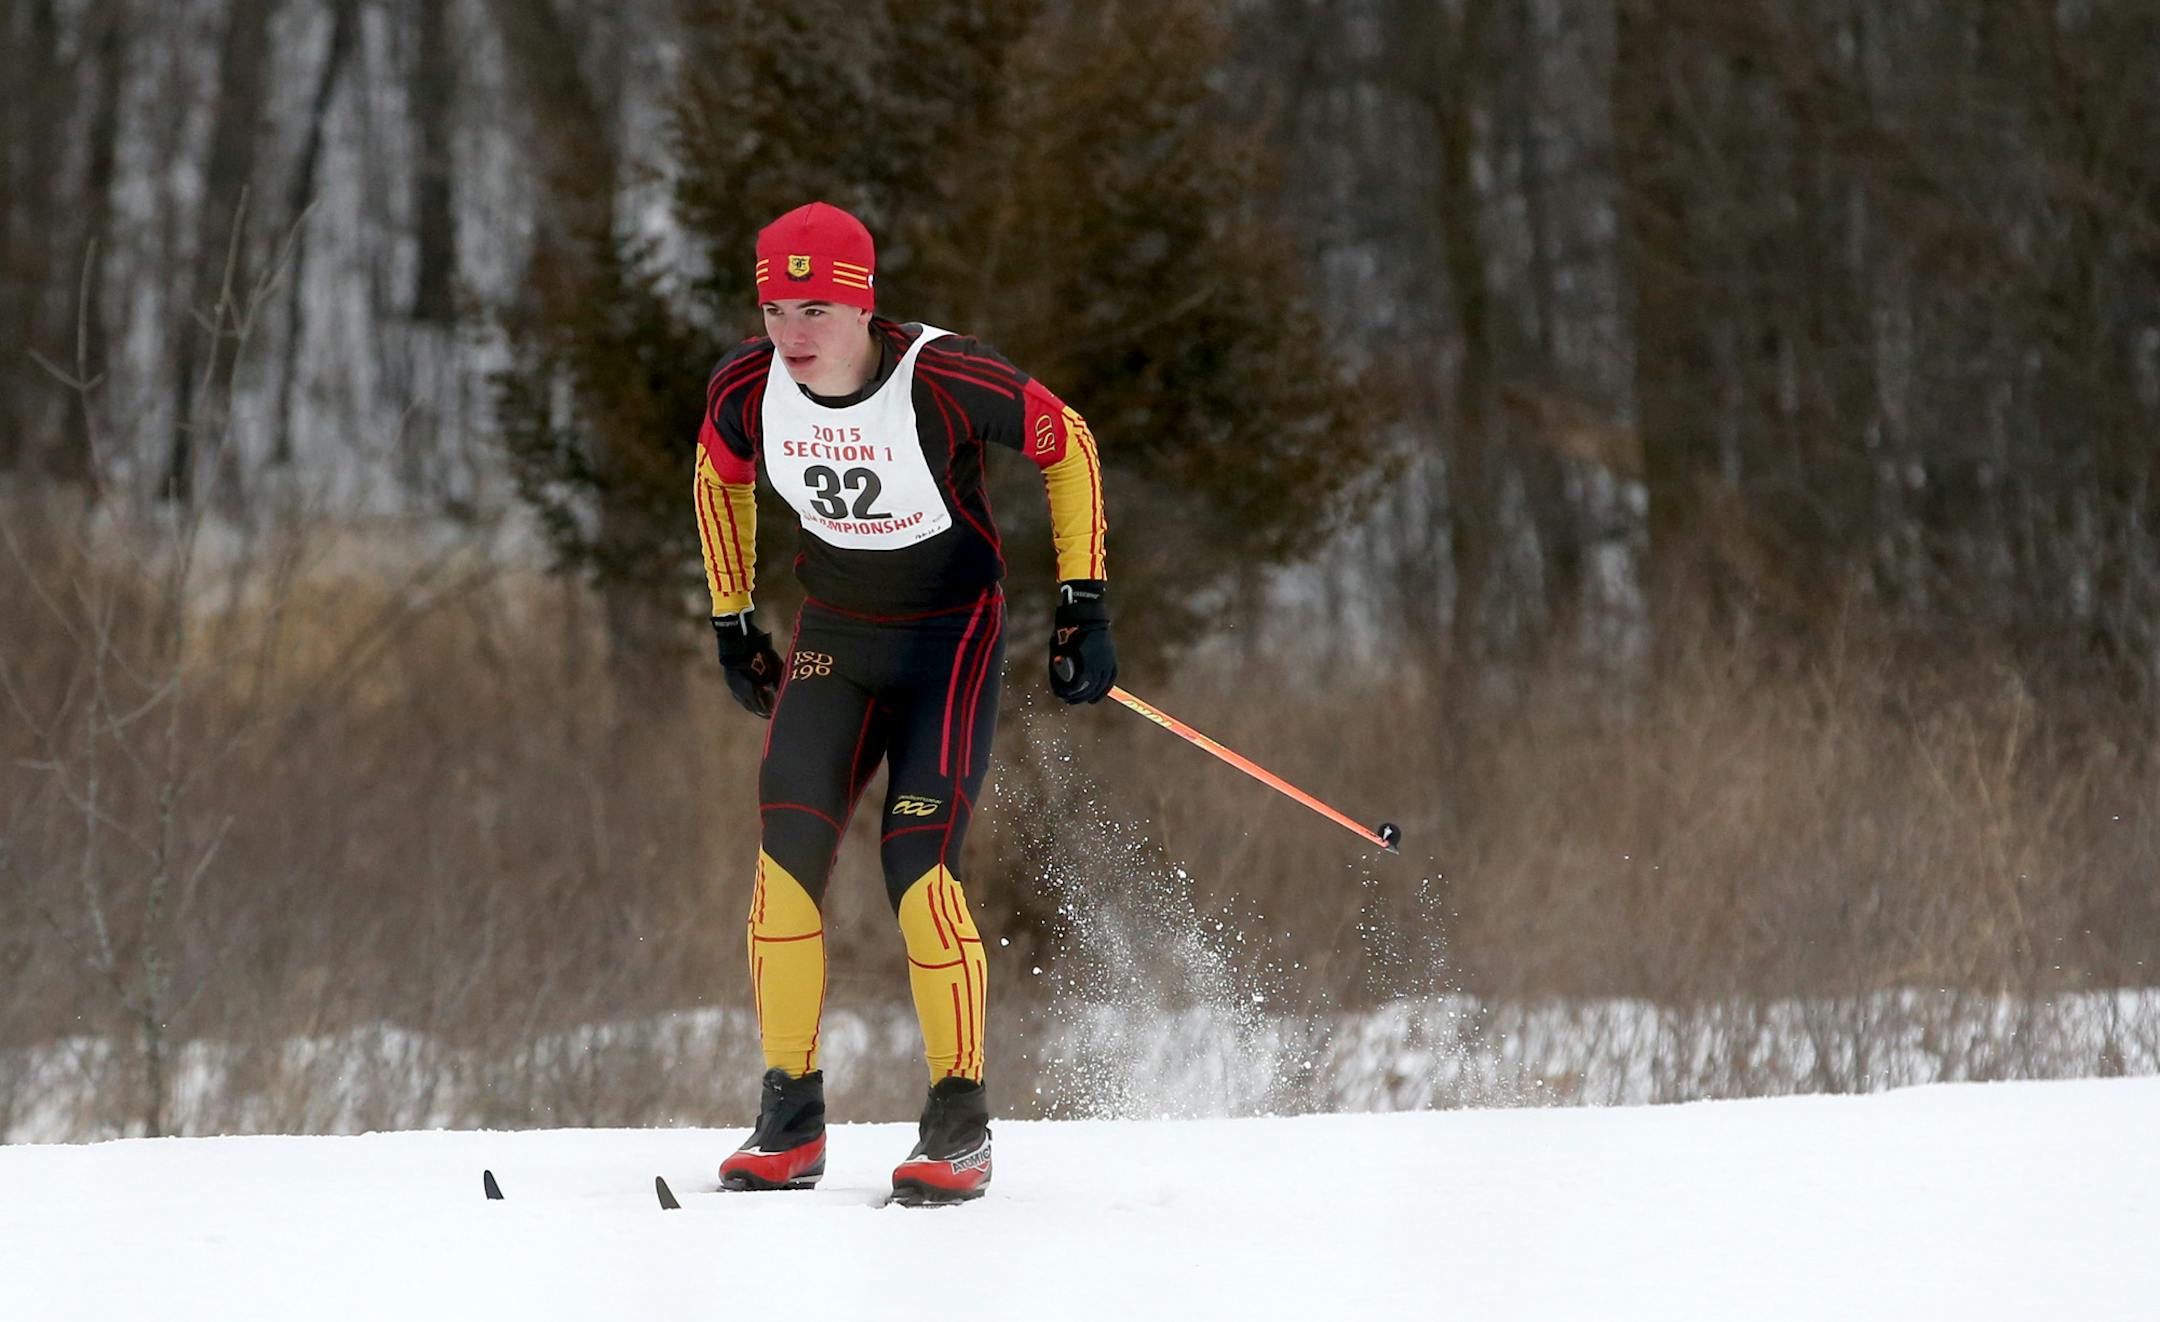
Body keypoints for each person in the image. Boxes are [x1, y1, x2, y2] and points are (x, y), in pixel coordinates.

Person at [693, 201, 1116, 1205]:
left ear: (862, 304)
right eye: (773, 306)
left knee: (916, 867)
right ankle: (789, 1118)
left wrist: (1083, 604)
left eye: (815, 308)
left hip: (947, 644)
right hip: (833, 641)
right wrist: (732, 619)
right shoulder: (745, 385)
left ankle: (958, 1125)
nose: (791, 332)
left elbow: (1073, 443)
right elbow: (717, 480)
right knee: (785, 863)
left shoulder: (946, 376)